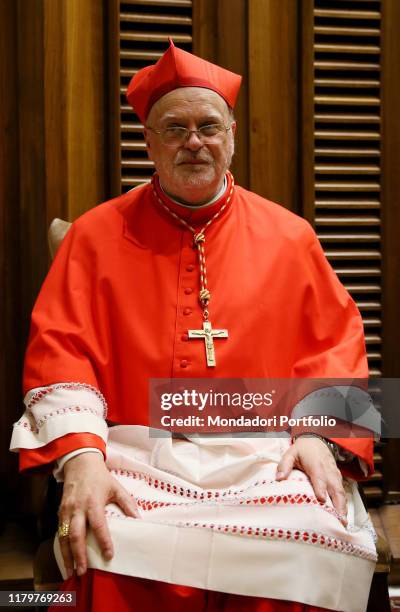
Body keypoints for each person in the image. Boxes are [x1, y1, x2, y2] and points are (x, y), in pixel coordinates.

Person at [10, 40, 376, 611]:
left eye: (209, 126)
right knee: (109, 548)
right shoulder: (93, 236)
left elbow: (337, 344)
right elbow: (60, 349)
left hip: (266, 454)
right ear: (149, 141)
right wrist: (82, 456)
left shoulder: (290, 235)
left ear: (231, 134)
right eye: (175, 128)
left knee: (313, 542)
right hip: (137, 455)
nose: (194, 142)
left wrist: (316, 436)